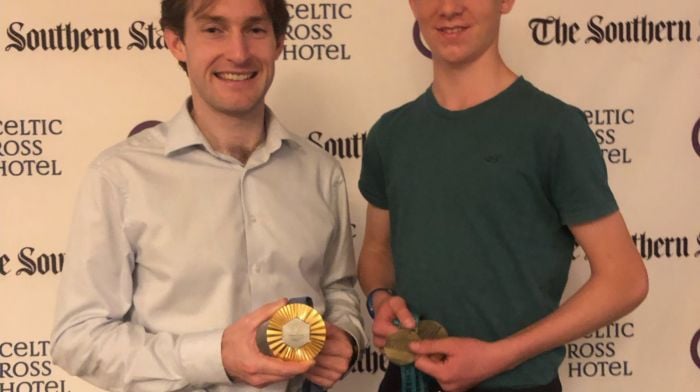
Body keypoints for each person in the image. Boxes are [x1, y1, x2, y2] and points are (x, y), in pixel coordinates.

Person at [50, 0, 365, 391]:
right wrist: (215, 357)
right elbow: (78, 339)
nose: (239, 52)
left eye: (255, 30)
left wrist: (346, 335)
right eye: (214, 29)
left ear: (279, 42)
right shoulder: (120, 176)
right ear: (177, 42)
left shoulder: (320, 171)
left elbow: (338, 288)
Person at [357, 1, 648, 391]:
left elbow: (625, 280)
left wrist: (500, 356)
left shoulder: (554, 129)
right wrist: (379, 297)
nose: (449, 8)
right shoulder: (389, 135)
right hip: (409, 382)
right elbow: (377, 251)